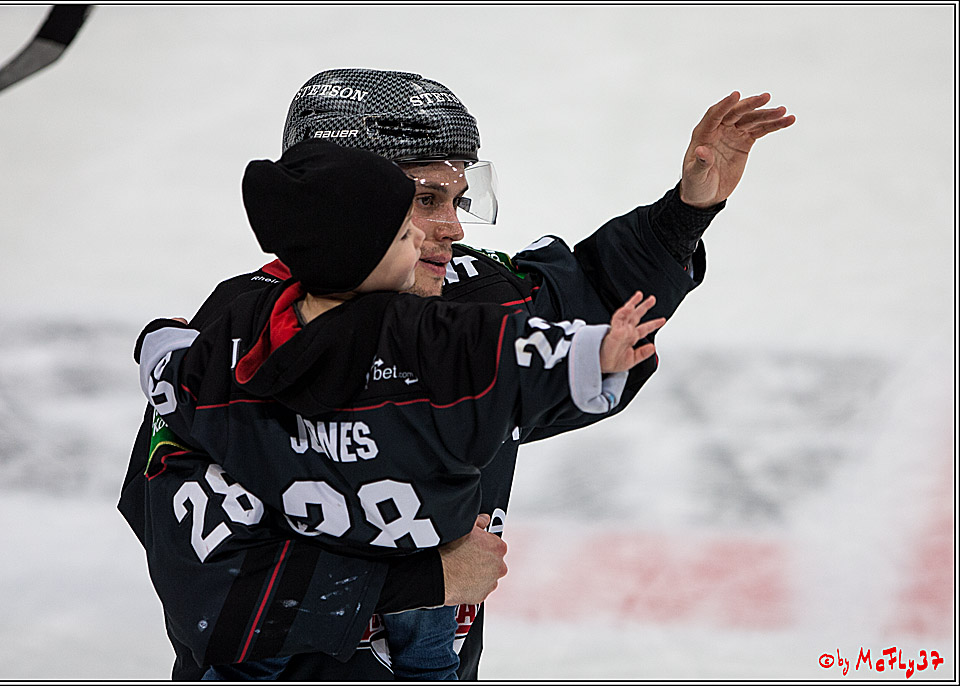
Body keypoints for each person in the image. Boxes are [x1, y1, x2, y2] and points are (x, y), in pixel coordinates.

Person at [117, 68, 794, 680]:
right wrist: (421, 581)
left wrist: (688, 209)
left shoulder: (471, 293)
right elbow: (204, 580)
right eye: (426, 199)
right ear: (342, 203)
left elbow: (591, 300)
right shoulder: (234, 343)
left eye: (459, 198)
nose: (453, 228)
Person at [135, 138, 664, 680]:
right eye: (413, 217)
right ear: (349, 247)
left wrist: (160, 345)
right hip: (408, 569)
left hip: (395, 578)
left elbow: (176, 376)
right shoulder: (401, 330)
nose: (444, 233)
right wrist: (429, 579)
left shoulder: (242, 337)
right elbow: (507, 350)